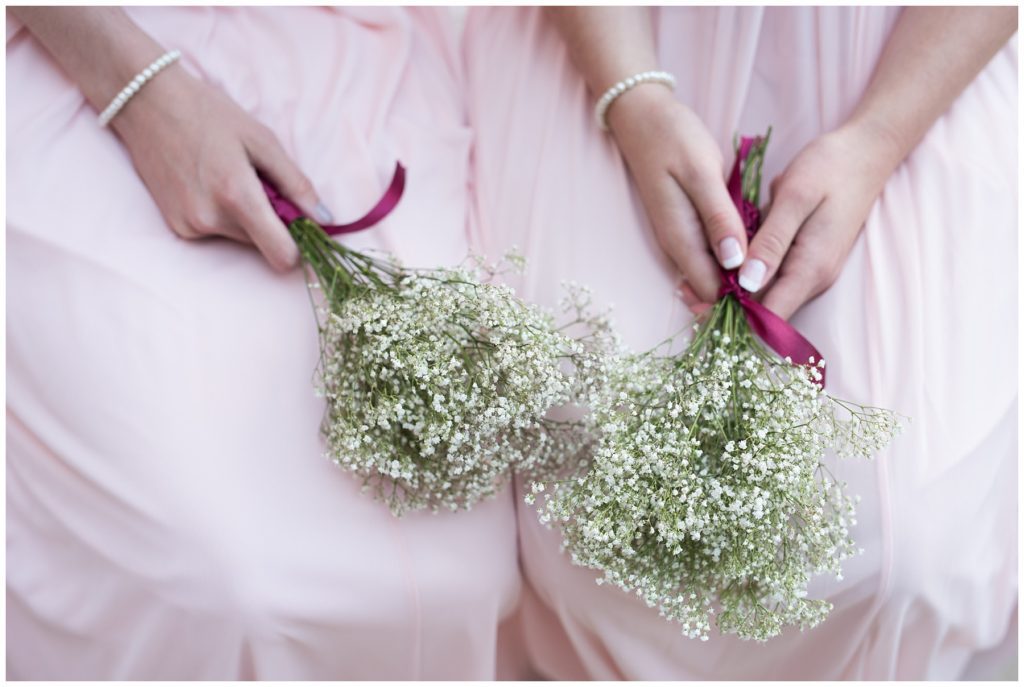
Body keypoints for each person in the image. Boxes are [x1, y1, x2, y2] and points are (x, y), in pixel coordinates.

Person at [463, 6, 1018, 680]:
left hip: (909, 61)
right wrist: (633, 96)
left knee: (900, 546)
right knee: (582, 522)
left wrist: (877, 139)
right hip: (613, 37)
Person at [6, 7, 521, 679]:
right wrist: (140, 89)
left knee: (459, 571)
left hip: (347, 54)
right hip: (78, 52)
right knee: (224, 579)